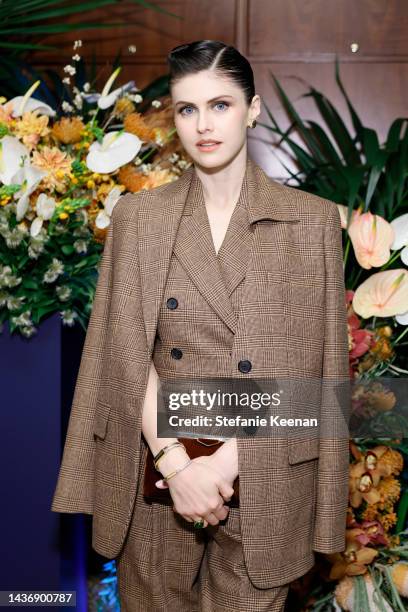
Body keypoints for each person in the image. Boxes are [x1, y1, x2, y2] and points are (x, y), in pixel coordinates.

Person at [51, 40, 350, 612]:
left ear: (253, 109)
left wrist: (226, 461)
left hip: (264, 468)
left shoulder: (310, 221)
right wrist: (178, 465)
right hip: (161, 472)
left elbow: (321, 367)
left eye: (220, 105)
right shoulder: (140, 217)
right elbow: (122, 352)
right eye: (187, 109)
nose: (203, 125)